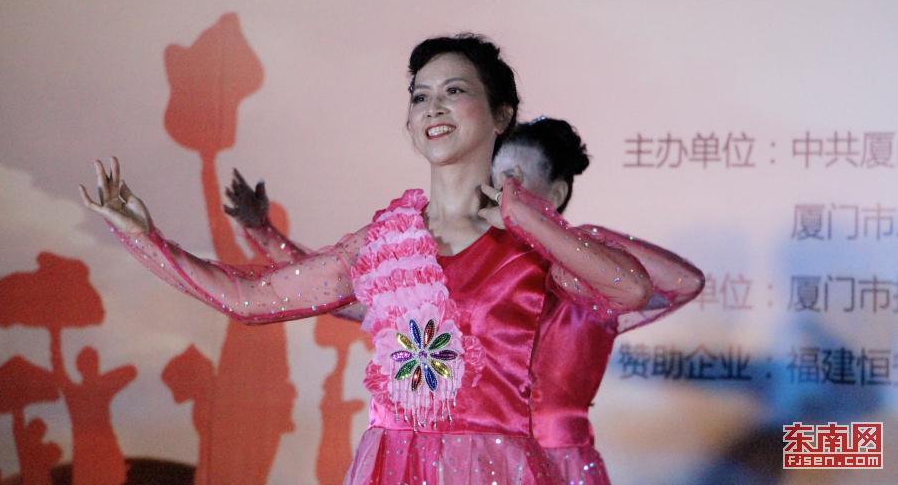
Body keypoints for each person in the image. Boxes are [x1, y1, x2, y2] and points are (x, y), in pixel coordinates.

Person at [80, 34, 701, 484]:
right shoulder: (384, 243)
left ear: (501, 115)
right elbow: (248, 300)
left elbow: (630, 289)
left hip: (496, 467)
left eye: (454, 91)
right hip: (392, 465)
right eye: (419, 96)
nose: (433, 107)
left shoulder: (531, 240)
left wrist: (528, 216)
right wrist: (145, 237)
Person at [226, 115, 706, 483]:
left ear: (556, 192)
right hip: (474, 461)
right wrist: (265, 235)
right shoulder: (479, 262)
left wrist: (574, 237)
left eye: (514, 178)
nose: (499, 189)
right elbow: (352, 296)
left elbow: (682, 282)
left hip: (561, 466)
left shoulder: (595, 275)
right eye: (495, 176)